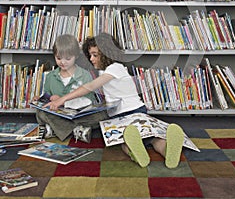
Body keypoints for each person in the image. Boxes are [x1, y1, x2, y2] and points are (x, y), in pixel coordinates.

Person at [44, 32, 185, 168]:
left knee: (126, 142)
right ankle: (166, 151)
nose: (91, 59)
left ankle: (139, 153)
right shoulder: (107, 70)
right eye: (90, 55)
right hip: (131, 113)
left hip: (127, 113)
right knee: (153, 138)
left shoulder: (115, 68)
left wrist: (61, 100)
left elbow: (90, 86)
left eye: (95, 55)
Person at [35, 34, 108, 142]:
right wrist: (43, 99)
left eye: (68, 58)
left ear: (76, 56)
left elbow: (89, 100)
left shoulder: (85, 75)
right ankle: (77, 130)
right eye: (59, 58)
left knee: (101, 116)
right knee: (40, 112)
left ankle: (55, 130)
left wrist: (65, 102)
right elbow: (47, 96)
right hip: (59, 113)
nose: (63, 62)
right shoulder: (51, 76)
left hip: (78, 113)